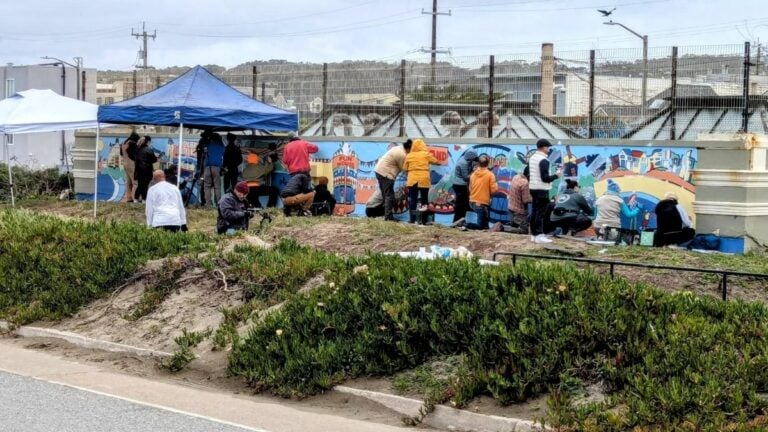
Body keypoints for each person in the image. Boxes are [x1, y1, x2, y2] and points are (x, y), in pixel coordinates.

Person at [528, 139, 561, 244]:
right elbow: (545, 178)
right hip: (542, 189)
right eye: (548, 147)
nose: (549, 149)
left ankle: (533, 234)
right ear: (544, 147)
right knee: (540, 213)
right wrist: (556, 175)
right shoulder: (544, 160)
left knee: (534, 211)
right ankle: (539, 235)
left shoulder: (532, 158)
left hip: (533, 187)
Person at [403, 138, 439, 224]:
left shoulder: (409, 156)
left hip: (412, 179)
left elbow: (404, 168)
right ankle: (424, 220)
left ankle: (412, 220)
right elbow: (436, 161)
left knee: (413, 200)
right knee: (424, 199)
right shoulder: (426, 154)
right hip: (424, 179)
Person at [374, 140, 412, 221]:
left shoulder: (398, 148)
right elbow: (405, 169)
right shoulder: (402, 154)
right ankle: (388, 217)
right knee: (389, 196)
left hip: (379, 171)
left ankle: (386, 215)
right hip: (386, 174)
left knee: (386, 196)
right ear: (408, 149)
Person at [460, 156, 498, 231]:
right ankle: (464, 224)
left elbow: (470, 188)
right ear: (488, 164)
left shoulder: (473, 175)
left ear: (478, 163)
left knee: (485, 225)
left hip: (472, 201)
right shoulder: (490, 175)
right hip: (482, 203)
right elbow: (494, 190)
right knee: (480, 225)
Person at [502, 166, 532, 234]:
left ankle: (505, 228)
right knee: (524, 231)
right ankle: (503, 228)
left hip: (511, 208)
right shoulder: (525, 183)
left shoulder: (516, 177)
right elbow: (526, 200)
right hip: (519, 212)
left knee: (514, 229)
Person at [452, 149, 479, 223]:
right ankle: (457, 221)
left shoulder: (465, 160)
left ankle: (460, 220)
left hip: (460, 185)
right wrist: (474, 172)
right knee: (461, 205)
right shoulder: (463, 163)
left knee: (463, 204)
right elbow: (466, 177)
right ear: (470, 157)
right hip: (460, 185)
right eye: (474, 159)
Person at [203, 132, 225, 208]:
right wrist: (220, 140)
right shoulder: (221, 147)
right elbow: (223, 149)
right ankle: (218, 204)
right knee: (217, 187)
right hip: (217, 167)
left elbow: (204, 151)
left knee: (207, 186)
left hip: (208, 167)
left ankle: (208, 205)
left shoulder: (208, 145)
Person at [133, 136, 158, 203]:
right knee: (145, 186)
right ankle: (144, 199)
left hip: (138, 170)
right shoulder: (149, 150)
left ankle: (136, 198)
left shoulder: (137, 149)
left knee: (140, 185)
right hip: (147, 170)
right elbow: (154, 159)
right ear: (148, 142)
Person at [120, 132, 140, 203]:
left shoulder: (124, 142)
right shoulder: (132, 143)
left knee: (128, 181)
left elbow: (121, 153)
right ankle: (134, 197)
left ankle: (128, 197)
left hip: (125, 163)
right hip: (131, 163)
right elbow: (133, 154)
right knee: (135, 182)